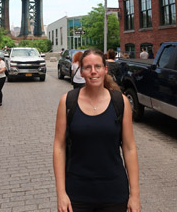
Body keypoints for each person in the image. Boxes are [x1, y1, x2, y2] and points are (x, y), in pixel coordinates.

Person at [53, 49, 141, 212]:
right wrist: (61, 193)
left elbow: (129, 148)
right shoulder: (68, 101)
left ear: (105, 69)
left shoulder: (120, 102)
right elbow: (59, 147)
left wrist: (135, 195)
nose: (93, 72)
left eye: (98, 66)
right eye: (88, 67)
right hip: (77, 194)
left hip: (114, 193)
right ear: (81, 70)